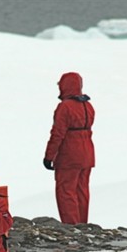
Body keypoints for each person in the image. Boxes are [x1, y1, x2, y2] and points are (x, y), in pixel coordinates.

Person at [43, 71, 95, 225]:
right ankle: (82, 224)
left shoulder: (64, 107)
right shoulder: (88, 105)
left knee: (66, 191)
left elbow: (57, 134)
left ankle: (71, 226)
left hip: (69, 155)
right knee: (82, 191)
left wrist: (49, 156)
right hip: (88, 154)